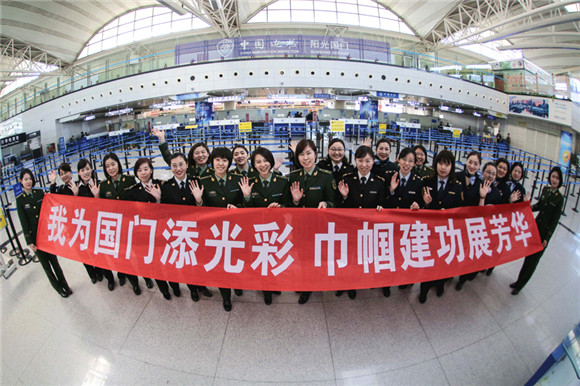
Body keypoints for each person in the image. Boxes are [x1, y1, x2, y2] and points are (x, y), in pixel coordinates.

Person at [191, 147, 244, 312]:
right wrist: (199, 201)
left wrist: (241, 204)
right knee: (221, 264)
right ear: (212, 162)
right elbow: (201, 211)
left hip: (235, 230)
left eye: (225, 160)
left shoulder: (238, 178)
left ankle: (237, 283)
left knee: (235, 260)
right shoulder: (204, 180)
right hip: (215, 232)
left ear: (229, 163)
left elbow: (247, 204)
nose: (221, 164)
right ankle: (226, 297)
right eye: (218, 160)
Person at [160, 153, 214, 302]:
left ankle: (202, 286)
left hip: (197, 230)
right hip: (180, 233)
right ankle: (193, 289)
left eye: (181, 164)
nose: (178, 169)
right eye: (174, 165)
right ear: (170, 167)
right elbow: (164, 212)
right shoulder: (166, 187)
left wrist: (198, 201)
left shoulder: (196, 182)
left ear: (187, 164)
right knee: (187, 263)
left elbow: (206, 208)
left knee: (199, 260)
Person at [288, 139, 336, 304]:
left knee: (319, 256)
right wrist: (295, 201)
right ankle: (307, 285)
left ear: (315, 154)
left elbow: (333, 202)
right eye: (301, 154)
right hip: (300, 227)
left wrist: (326, 204)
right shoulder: (293, 177)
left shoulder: (326, 177)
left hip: (320, 227)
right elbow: (288, 206)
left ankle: (319, 280)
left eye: (309, 153)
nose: (305, 157)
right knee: (303, 257)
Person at [239, 147, 289, 305]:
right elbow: (247, 209)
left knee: (274, 258)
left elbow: (288, 204)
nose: (263, 165)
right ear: (253, 164)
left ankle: (273, 283)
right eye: (258, 162)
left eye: (266, 161)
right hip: (257, 230)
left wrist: (281, 207)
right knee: (261, 258)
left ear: (271, 161)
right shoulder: (250, 182)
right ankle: (265, 287)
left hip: (276, 230)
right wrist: (247, 196)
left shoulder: (282, 181)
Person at [99, 153, 152, 294]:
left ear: (118, 164)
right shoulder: (103, 186)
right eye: (108, 166)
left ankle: (147, 277)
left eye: (113, 164)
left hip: (132, 225)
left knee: (138, 253)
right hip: (116, 228)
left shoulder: (129, 180)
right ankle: (134, 282)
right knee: (123, 257)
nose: (111, 168)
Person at [336, 145, 384, 299]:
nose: (364, 164)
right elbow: (338, 207)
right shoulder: (347, 179)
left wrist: (381, 207)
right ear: (355, 161)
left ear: (373, 161)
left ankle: (359, 281)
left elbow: (383, 204)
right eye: (360, 160)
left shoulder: (379, 182)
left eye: (368, 161)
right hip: (349, 227)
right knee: (348, 257)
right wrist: (343, 197)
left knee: (363, 257)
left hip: (368, 230)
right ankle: (347, 283)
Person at [17, 169, 72, 298]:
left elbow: (50, 205)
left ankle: (65, 285)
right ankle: (58, 288)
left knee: (55, 264)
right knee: (47, 267)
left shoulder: (39, 193)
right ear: (21, 181)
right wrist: (29, 241)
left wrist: (53, 181)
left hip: (46, 235)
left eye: (29, 178)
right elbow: (23, 222)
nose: (28, 181)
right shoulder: (20, 200)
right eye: (25, 179)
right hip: (35, 238)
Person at [124, 158, 174, 300]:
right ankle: (163, 289)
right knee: (155, 263)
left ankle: (174, 285)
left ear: (151, 170)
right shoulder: (133, 191)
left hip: (163, 231)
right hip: (146, 234)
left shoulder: (160, 185)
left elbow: (170, 209)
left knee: (167, 260)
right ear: (136, 174)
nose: (143, 173)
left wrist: (159, 200)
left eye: (146, 169)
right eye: (139, 170)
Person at [510, 167, 564, 295]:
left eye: (557, 178)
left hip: (544, 234)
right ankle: (518, 281)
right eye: (553, 176)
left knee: (533, 261)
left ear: (560, 180)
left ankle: (520, 285)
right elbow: (539, 206)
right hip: (535, 229)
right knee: (528, 257)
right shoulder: (546, 190)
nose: (554, 180)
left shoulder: (559, 198)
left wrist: (547, 238)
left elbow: (554, 221)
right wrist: (528, 206)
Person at [419, 150, 464, 303]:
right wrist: (426, 203)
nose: (443, 168)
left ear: (452, 167)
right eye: (440, 163)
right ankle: (424, 289)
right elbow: (418, 209)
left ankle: (440, 284)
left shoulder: (457, 186)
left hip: (446, 231)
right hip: (429, 230)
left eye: (447, 164)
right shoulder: (426, 181)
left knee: (443, 260)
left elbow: (460, 211)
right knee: (429, 259)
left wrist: (449, 213)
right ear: (435, 164)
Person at [70, 159, 116, 291]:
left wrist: (97, 196)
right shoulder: (77, 187)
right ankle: (97, 273)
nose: (85, 172)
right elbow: (74, 209)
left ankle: (110, 278)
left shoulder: (99, 183)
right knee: (90, 252)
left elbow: (105, 207)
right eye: (82, 170)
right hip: (85, 227)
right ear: (78, 172)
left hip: (99, 225)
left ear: (92, 169)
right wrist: (75, 195)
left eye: (87, 169)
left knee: (102, 254)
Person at [456, 162, 501, 290]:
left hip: (483, 229)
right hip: (469, 224)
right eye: (488, 172)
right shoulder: (475, 184)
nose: (490, 176)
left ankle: (464, 278)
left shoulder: (497, 193)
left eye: (493, 174)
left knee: (474, 255)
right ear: (483, 171)